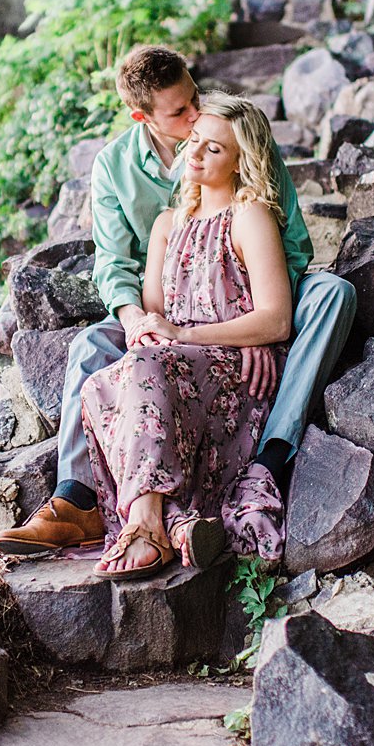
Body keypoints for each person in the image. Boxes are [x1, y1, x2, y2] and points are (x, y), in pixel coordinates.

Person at [0, 45, 356, 557]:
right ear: (143, 116)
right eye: (180, 113)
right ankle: (77, 499)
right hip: (164, 308)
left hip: (249, 290)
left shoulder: (235, 132)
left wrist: (252, 322)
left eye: (195, 98)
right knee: (94, 346)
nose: (194, 116)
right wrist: (140, 318)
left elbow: (292, 241)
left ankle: (272, 455)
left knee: (333, 293)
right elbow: (114, 265)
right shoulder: (114, 166)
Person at [84, 93, 293, 579]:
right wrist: (159, 333)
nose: (195, 154)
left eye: (214, 149)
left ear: (243, 161)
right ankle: (172, 520)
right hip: (174, 367)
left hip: (232, 371)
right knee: (99, 385)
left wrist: (182, 332)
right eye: (194, 141)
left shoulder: (250, 217)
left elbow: (277, 318)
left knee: (143, 369)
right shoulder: (166, 225)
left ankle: (144, 526)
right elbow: (155, 316)